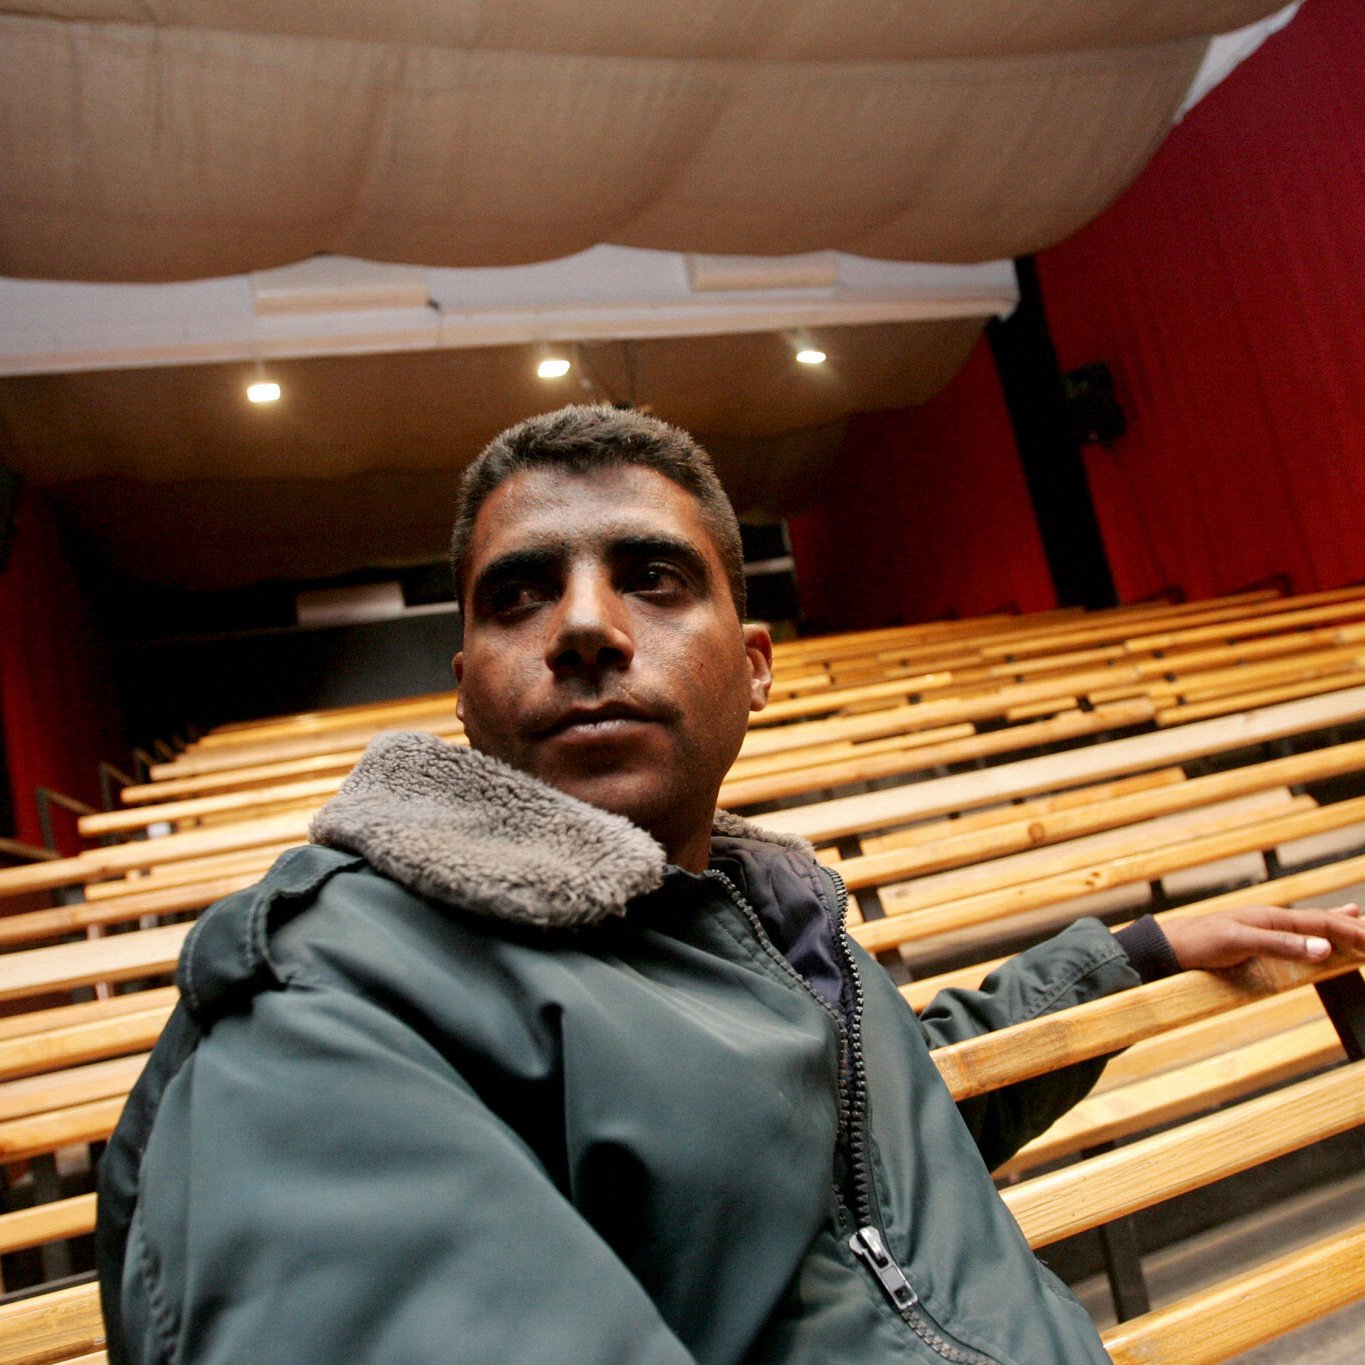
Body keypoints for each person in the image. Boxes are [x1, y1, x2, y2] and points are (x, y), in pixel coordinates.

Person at [96, 404, 1364, 1363]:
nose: (584, 627)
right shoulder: (332, 993)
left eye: (652, 577)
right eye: (520, 595)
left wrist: (1135, 955)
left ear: (755, 666)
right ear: (466, 685)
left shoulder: (760, 916)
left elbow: (864, 1142)